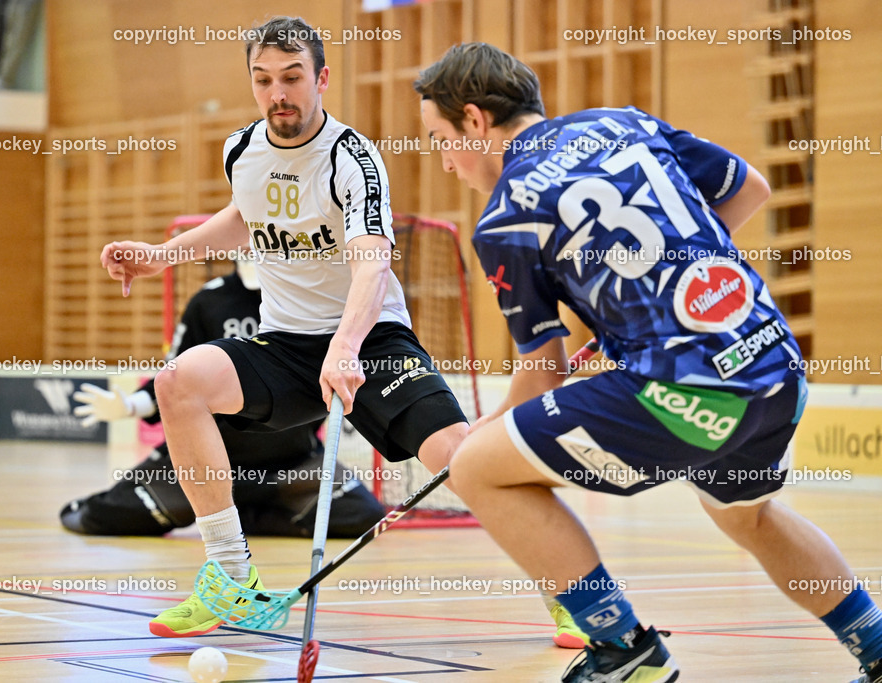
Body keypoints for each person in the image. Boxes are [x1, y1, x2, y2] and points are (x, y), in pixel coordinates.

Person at [415, 42, 882, 683]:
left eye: (441, 138)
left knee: (479, 469)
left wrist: (476, 441)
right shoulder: (622, 123)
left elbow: (542, 372)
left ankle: (622, 648)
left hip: (685, 392)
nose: (444, 161)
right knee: (748, 514)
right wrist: (650, 308)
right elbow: (750, 190)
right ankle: (880, 649)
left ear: (474, 120)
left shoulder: (506, 218)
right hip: (776, 366)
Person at [100, 16, 474, 641]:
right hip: (286, 344)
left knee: (463, 462)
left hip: (370, 337)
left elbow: (372, 260)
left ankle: (572, 593)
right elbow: (241, 219)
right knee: (179, 383)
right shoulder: (241, 149)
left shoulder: (352, 158)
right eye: (264, 79)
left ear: (321, 79)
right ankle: (230, 578)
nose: (279, 93)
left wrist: (348, 347)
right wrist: (160, 254)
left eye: (293, 77)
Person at [60, 263, 387, 539]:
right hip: (206, 458)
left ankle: (241, 514)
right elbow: (174, 378)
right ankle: (211, 502)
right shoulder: (210, 301)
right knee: (114, 517)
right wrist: (131, 406)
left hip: (289, 461)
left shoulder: (313, 301)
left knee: (361, 514)